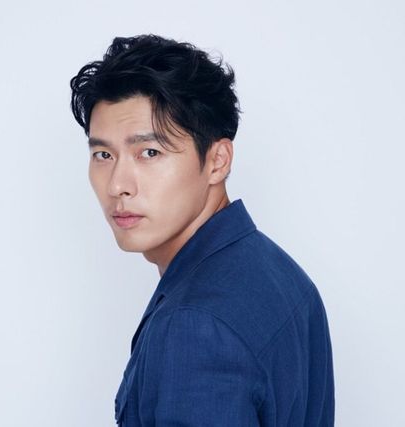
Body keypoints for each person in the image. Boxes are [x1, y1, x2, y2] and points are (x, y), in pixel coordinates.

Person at [69, 34, 335, 426]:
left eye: (149, 152)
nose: (118, 185)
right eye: (103, 154)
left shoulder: (194, 326)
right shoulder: (278, 271)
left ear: (217, 161)